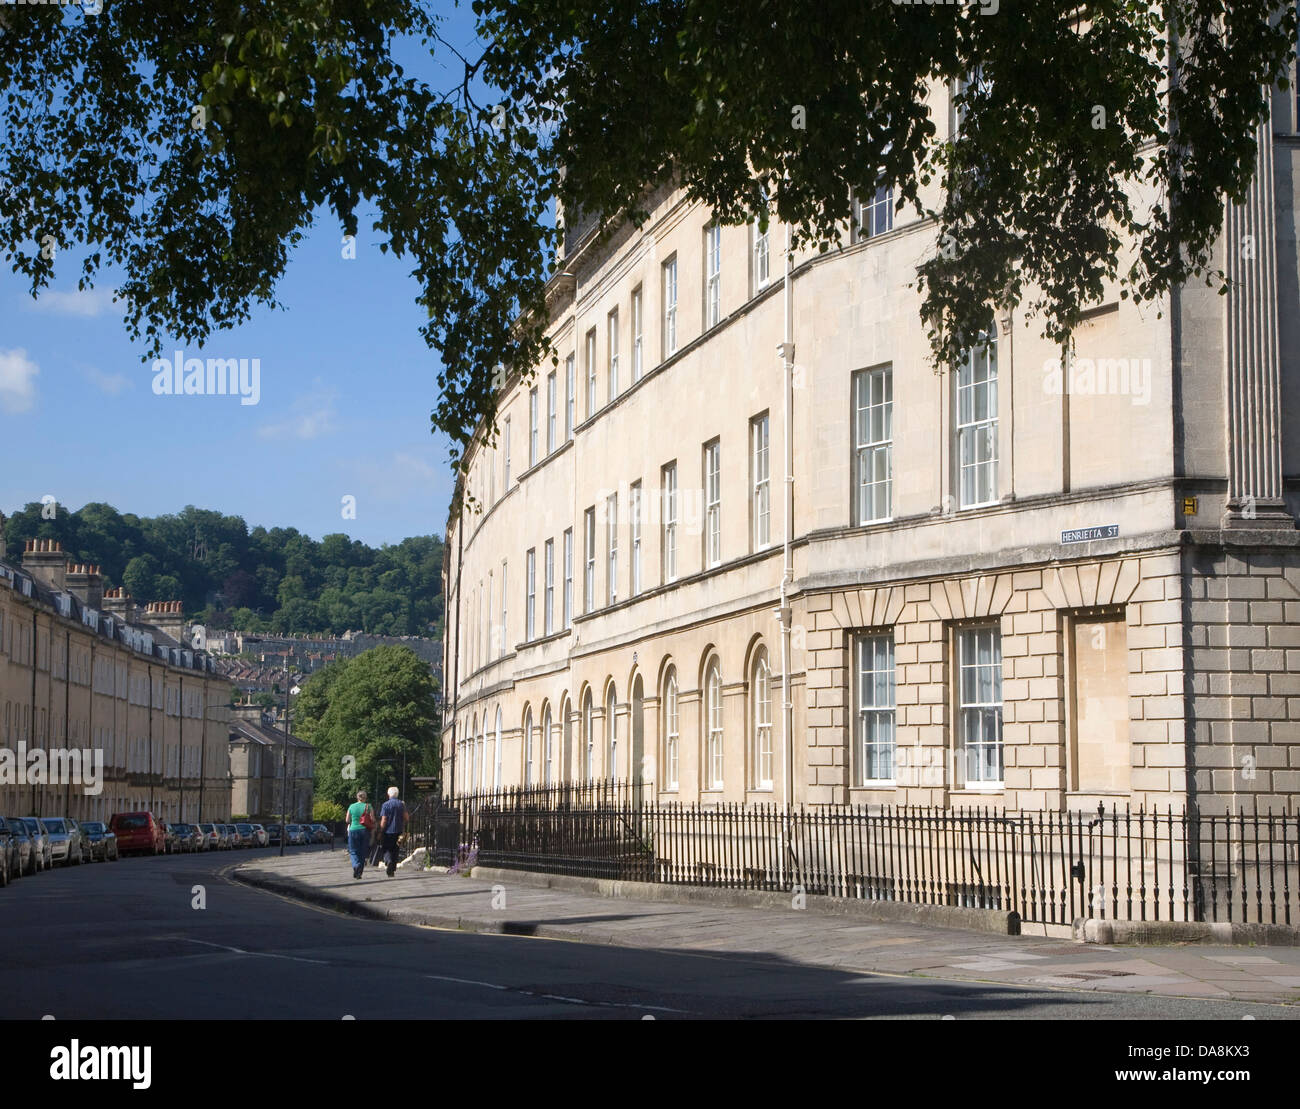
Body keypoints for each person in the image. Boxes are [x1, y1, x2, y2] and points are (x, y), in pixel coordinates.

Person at [379, 785, 408, 877]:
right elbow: (406, 817)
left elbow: (384, 819)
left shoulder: (385, 805)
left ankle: (388, 861)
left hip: (388, 831)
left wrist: (380, 829)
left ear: (388, 794)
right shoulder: (401, 804)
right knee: (396, 849)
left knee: (386, 848)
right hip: (399, 830)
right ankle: (392, 869)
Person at [345, 790, 375, 880]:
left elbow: (347, 820)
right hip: (364, 830)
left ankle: (356, 865)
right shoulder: (368, 806)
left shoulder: (351, 806)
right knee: (363, 852)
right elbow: (372, 819)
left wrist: (354, 821)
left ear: (357, 797)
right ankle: (359, 873)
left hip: (353, 830)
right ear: (365, 798)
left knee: (353, 850)